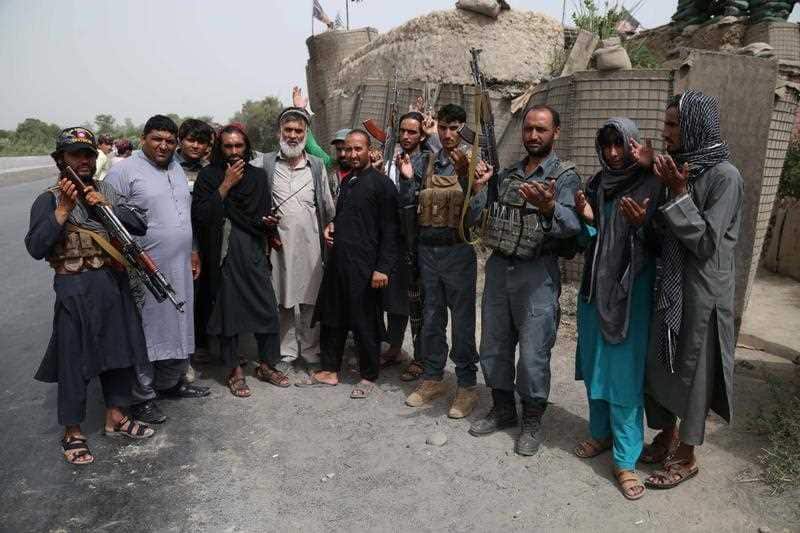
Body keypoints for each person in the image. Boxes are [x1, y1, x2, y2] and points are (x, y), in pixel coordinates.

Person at [25, 127, 155, 465]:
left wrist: (107, 205)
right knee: (73, 359)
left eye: (88, 154)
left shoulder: (106, 189)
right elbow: (36, 247)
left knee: (119, 352)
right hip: (75, 288)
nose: (83, 161)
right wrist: (63, 210)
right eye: (75, 155)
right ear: (60, 160)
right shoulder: (49, 198)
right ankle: (72, 431)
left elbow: (139, 224)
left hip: (112, 282)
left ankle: (116, 416)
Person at [642, 90, 743, 490]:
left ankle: (687, 455)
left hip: (703, 291)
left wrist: (679, 193)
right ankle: (666, 435)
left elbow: (705, 242)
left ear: (695, 127)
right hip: (671, 282)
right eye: (665, 123)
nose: (665, 132)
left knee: (694, 372)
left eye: (673, 125)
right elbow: (663, 229)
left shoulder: (725, 177)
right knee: (662, 359)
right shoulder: (680, 168)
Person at [468, 105, 581, 456]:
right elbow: (477, 219)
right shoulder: (507, 174)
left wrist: (548, 208)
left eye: (541, 129)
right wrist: (479, 188)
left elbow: (573, 227)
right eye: (529, 128)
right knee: (493, 345)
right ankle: (503, 409)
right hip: (500, 269)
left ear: (556, 132)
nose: (533, 135)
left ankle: (532, 420)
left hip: (537, 273)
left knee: (533, 353)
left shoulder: (564, 177)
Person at [572, 118, 663, 500]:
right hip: (595, 290)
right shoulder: (597, 184)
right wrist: (588, 220)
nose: (612, 153)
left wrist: (643, 225)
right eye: (606, 145)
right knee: (595, 364)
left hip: (631, 294)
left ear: (632, 144)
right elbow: (588, 240)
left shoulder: (652, 184)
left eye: (619, 145)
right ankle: (600, 434)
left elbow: (665, 242)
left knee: (623, 374)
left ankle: (625, 460)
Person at [105, 115, 208, 425]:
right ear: (143, 139)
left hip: (180, 264)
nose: (164, 146)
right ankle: (142, 397)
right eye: (157, 139)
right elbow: (106, 221)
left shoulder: (176, 167)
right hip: (144, 270)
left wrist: (192, 251)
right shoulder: (122, 173)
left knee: (178, 324)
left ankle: (171, 383)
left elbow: (184, 215)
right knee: (147, 332)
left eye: (169, 141)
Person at [400, 104, 491, 419]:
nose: (448, 134)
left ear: (463, 129)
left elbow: (477, 217)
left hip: (457, 252)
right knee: (432, 318)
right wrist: (407, 181)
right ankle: (433, 377)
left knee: (462, 322)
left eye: (455, 128)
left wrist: (474, 184)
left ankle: (466, 385)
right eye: (443, 127)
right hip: (428, 251)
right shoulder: (425, 162)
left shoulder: (475, 164)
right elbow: (410, 205)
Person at [303, 130, 400, 399]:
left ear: (369, 150)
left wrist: (382, 268)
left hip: (366, 267)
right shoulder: (348, 181)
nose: (352, 154)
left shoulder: (382, 185)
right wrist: (332, 226)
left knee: (364, 321)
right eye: (348, 149)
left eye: (358, 149)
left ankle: (368, 376)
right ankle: (330, 371)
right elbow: (346, 215)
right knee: (333, 317)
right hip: (339, 263)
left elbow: (392, 231)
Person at [192, 124, 283, 398]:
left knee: (267, 308)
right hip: (223, 253)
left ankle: (267, 364)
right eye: (228, 146)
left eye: (238, 146)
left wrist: (268, 223)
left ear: (247, 147)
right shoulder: (209, 176)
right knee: (229, 312)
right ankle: (234, 370)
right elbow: (202, 216)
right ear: (220, 148)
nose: (233, 151)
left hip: (252, 250)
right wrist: (226, 184)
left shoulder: (257, 177)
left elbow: (260, 215)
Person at [260, 107, 335, 380]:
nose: (293, 136)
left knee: (311, 300)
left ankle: (312, 354)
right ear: (279, 133)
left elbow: (327, 205)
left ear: (305, 134)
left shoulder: (316, 165)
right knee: (284, 300)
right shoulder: (266, 163)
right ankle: (287, 354)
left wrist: (330, 226)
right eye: (288, 130)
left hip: (311, 244)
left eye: (298, 131)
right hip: (278, 245)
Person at [380, 111, 435, 381]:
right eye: (402, 130)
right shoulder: (391, 159)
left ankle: (421, 357)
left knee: (418, 301)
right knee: (395, 297)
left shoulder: (428, 161)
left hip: (418, 238)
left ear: (422, 135)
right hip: (395, 238)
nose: (405, 136)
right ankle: (394, 347)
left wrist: (408, 178)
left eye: (412, 132)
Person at [175, 118, 214, 381]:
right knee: (182, 298)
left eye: (201, 142)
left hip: (206, 240)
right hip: (180, 243)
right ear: (181, 140)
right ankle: (181, 357)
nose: (196, 146)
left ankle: (201, 344)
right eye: (191, 140)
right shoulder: (168, 167)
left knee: (203, 295)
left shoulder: (208, 169)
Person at [327, 128, 351, 200]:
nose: (342, 154)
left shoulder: (363, 173)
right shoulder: (332, 175)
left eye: (346, 149)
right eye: (339, 149)